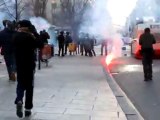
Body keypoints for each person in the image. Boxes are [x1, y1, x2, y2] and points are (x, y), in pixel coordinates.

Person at [13, 20, 43, 118]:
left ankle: (19, 99)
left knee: (20, 84)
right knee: (29, 87)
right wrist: (35, 32)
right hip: (29, 65)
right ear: (28, 27)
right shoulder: (30, 38)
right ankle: (27, 109)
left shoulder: (15, 37)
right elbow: (40, 44)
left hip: (19, 65)